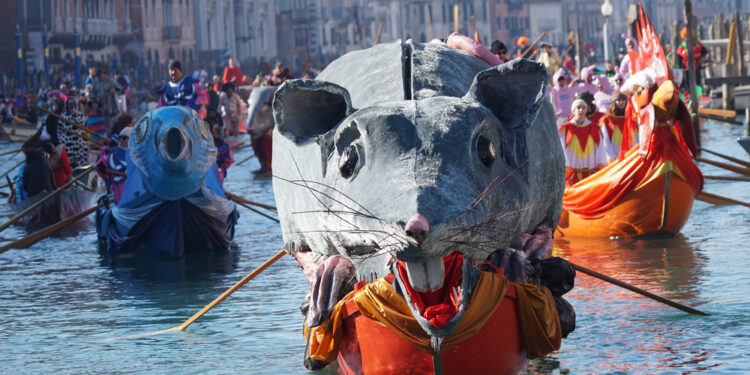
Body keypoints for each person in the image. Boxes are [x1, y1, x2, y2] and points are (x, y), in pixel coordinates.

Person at [558, 99, 610, 187]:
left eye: (583, 108)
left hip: (592, 176)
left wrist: (602, 169)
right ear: (573, 110)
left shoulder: (594, 128)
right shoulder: (564, 129)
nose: (581, 110)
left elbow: (601, 150)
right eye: (578, 108)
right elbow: (561, 152)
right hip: (572, 177)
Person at [96, 126, 130, 203]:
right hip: (119, 187)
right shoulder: (114, 151)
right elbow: (102, 163)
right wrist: (102, 166)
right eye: (120, 138)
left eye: (124, 138)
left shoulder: (138, 153)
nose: (121, 140)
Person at [599, 90, 634, 161]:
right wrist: (611, 158)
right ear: (614, 102)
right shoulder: (607, 120)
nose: (621, 102)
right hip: (615, 159)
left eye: (623, 100)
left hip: (631, 157)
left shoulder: (632, 117)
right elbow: (605, 141)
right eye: (618, 100)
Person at [59, 97, 90, 169]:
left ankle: (80, 167)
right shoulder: (63, 116)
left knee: (83, 146)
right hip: (66, 139)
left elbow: (82, 125)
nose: (71, 105)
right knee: (62, 147)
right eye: (69, 104)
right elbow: (59, 130)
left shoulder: (80, 115)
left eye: (72, 104)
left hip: (78, 138)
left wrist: (74, 114)